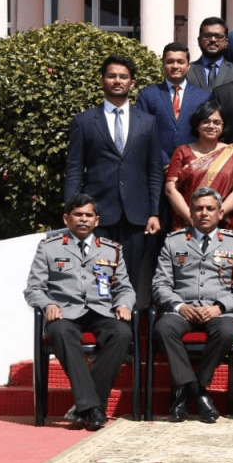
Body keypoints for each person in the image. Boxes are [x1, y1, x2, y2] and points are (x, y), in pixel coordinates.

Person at [24, 194, 135, 431]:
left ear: (96, 220)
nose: (83, 219)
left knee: (122, 333)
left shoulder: (112, 250)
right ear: (67, 219)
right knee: (61, 331)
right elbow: (33, 288)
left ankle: (85, 405)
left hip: (101, 310)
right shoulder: (49, 248)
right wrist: (47, 305)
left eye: (88, 215)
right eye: (78, 214)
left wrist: (124, 304)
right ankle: (94, 408)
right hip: (64, 312)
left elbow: (124, 287)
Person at [64, 55, 163, 307]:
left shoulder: (147, 122)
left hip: (136, 215)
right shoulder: (84, 121)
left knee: (129, 279)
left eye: (123, 76)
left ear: (132, 83)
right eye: (111, 76)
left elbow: (154, 170)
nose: (117, 81)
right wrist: (72, 211)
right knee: (98, 278)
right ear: (102, 80)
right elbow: (74, 169)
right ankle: (103, 332)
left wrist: (154, 212)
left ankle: (126, 338)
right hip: (97, 213)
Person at [151, 188, 233, 423]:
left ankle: (190, 388)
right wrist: (177, 306)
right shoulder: (173, 241)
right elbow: (160, 284)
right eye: (198, 208)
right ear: (191, 212)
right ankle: (198, 392)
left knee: (227, 331)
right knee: (163, 329)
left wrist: (220, 307)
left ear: (220, 213)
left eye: (210, 209)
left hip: (218, 310)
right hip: (182, 308)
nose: (204, 213)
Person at [164, 100, 233, 231]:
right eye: (206, 121)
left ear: (223, 126)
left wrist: (216, 215)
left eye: (217, 122)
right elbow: (171, 190)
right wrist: (193, 218)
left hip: (223, 223)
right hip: (188, 224)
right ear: (197, 125)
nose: (211, 126)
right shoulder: (182, 152)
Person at [138, 42, 213, 167]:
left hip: (193, 165)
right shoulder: (148, 95)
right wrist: (165, 161)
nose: (175, 66)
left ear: (188, 66)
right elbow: (143, 132)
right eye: (170, 61)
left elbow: (207, 132)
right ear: (163, 64)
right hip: (157, 165)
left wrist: (192, 161)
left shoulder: (203, 96)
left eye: (180, 62)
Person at [187, 17, 233, 90]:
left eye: (218, 36)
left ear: (226, 42)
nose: (213, 40)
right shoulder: (186, 71)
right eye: (207, 36)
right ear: (199, 41)